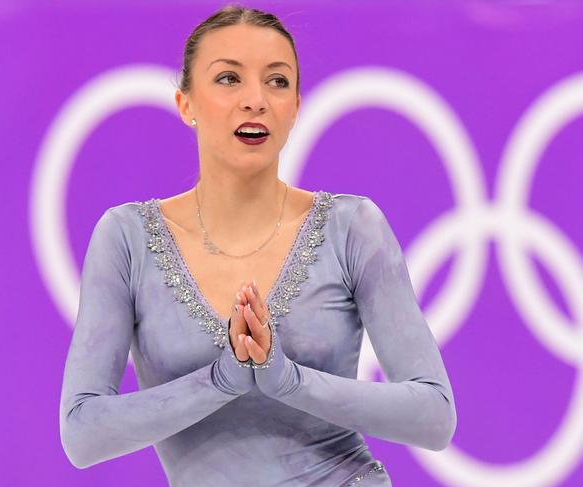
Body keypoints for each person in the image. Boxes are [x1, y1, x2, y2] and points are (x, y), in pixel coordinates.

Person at [59, 4, 457, 486]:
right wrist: (221, 380)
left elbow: (434, 415)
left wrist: (289, 380)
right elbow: (82, 433)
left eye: (277, 81)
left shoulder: (352, 227)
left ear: (296, 108)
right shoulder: (126, 238)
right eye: (229, 79)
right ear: (186, 103)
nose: (256, 100)